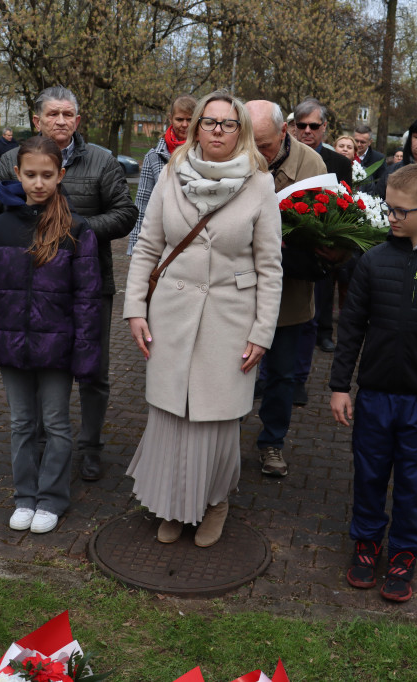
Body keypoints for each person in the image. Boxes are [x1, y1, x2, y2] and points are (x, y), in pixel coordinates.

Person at [124, 91, 283, 547]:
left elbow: (271, 267)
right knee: (172, 415)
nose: (217, 130)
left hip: (231, 319)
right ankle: (173, 503)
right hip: (171, 315)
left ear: (241, 132)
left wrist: (262, 332)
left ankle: (214, 502)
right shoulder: (172, 173)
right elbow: (147, 246)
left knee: (215, 419)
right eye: (208, 122)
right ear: (194, 128)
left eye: (227, 124)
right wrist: (135, 307)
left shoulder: (259, 184)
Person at [0, 86, 138, 482]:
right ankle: (44, 442)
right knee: (33, 361)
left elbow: (125, 213)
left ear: (78, 121)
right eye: (53, 114)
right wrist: (25, 234)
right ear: (37, 120)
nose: (61, 121)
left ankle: (90, 446)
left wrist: (71, 234)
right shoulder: (13, 160)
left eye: (68, 114)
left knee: (93, 371)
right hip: (25, 285)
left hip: (88, 286)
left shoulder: (101, 161)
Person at [331, 164, 417, 602]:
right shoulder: (373, 261)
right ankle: (367, 541)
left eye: (399, 211)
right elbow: (351, 327)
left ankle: (405, 551)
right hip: (374, 396)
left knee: (415, 483)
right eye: (388, 208)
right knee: (370, 473)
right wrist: (340, 386)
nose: (391, 217)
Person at [0, 136, 102, 535]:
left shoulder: (76, 229)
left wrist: (85, 353)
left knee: (56, 423)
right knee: (22, 422)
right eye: (30, 175)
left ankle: (51, 498)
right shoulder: (2, 228)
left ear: (60, 175)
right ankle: (25, 496)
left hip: (56, 346)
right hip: (12, 345)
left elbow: (88, 298)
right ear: (16, 174)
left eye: (46, 175)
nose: (38, 183)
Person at [246, 98, 328, 477]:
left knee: (281, 375)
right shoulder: (234, 152)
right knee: (232, 368)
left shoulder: (312, 165)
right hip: (238, 290)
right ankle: (221, 437)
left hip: (288, 294)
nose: (255, 153)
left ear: (284, 131)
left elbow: (326, 229)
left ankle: (272, 443)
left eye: (263, 145)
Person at [292, 98, 351, 397]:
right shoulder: (276, 157)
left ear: (325, 128)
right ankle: (268, 376)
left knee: (309, 319)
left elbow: (346, 208)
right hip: (281, 251)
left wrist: (336, 248)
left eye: (314, 126)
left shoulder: (339, 163)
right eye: (300, 125)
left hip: (319, 253)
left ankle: (299, 379)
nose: (306, 131)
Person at [127, 94, 196, 255]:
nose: (184, 125)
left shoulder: (205, 152)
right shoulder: (154, 156)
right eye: (180, 119)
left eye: (190, 119)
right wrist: (134, 248)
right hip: (163, 239)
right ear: (171, 119)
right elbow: (143, 203)